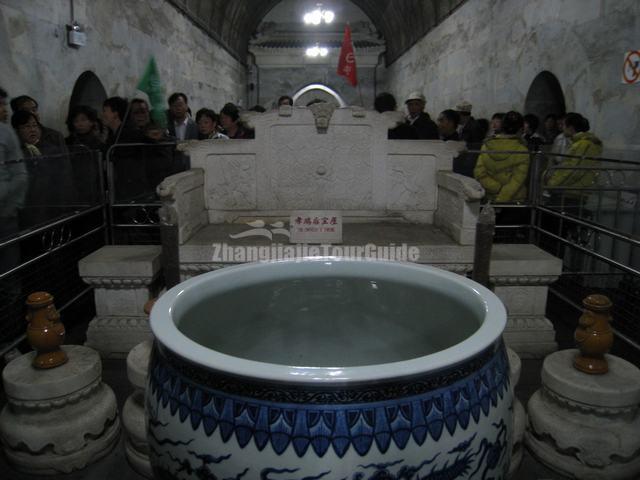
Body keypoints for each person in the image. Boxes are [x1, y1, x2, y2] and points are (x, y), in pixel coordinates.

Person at [11, 110, 74, 227]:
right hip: (28, 208)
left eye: (34, 125)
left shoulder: (51, 150)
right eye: (26, 126)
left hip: (52, 205)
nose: (32, 129)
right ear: (17, 131)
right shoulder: (15, 154)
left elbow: (63, 175)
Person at [474, 111, 530, 203]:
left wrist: (498, 189)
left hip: (490, 198)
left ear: (502, 126)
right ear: (521, 129)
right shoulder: (522, 151)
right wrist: (502, 197)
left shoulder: (486, 146)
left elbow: (479, 173)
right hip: (515, 201)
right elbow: (517, 181)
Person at [545, 113, 602, 194]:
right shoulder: (577, 143)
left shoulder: (584, 145)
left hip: (573, 191)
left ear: (571, 128)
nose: (562, 128)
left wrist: (552, 183)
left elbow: (573, 170)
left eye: (564, 125)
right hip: (569, 189)